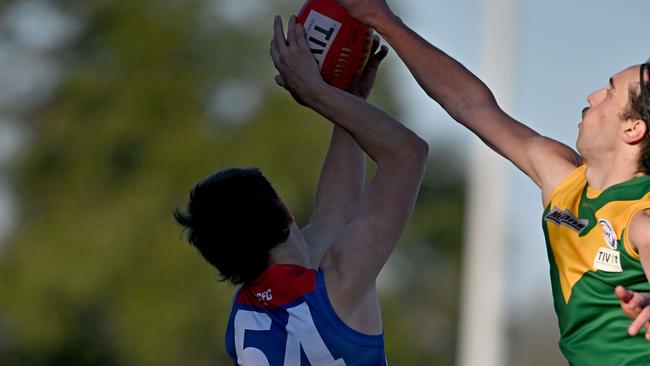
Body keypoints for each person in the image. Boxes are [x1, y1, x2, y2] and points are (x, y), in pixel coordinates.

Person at [335, 1, 650, 364]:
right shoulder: (565, 179)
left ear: (633, 128)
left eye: (610, 91)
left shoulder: (640, 217)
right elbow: (470, 104)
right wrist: (381, 19)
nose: (592, 96)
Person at [173, 15, 428, 365]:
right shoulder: (341, 284)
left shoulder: (244, 317)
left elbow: (334, 215)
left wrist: (350, 101)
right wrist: (319, 93)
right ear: (284, 211)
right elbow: (408, 154)